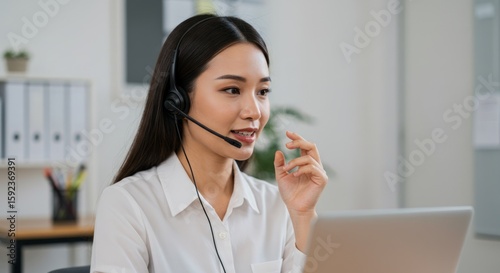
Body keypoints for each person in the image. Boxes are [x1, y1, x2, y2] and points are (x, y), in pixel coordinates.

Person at [91, 13, 328, 273]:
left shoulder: (278, 205)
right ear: (178, 99)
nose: (254, 111)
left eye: (262, 92)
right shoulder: (129, 205)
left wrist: (304, 216)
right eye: (232, 90)